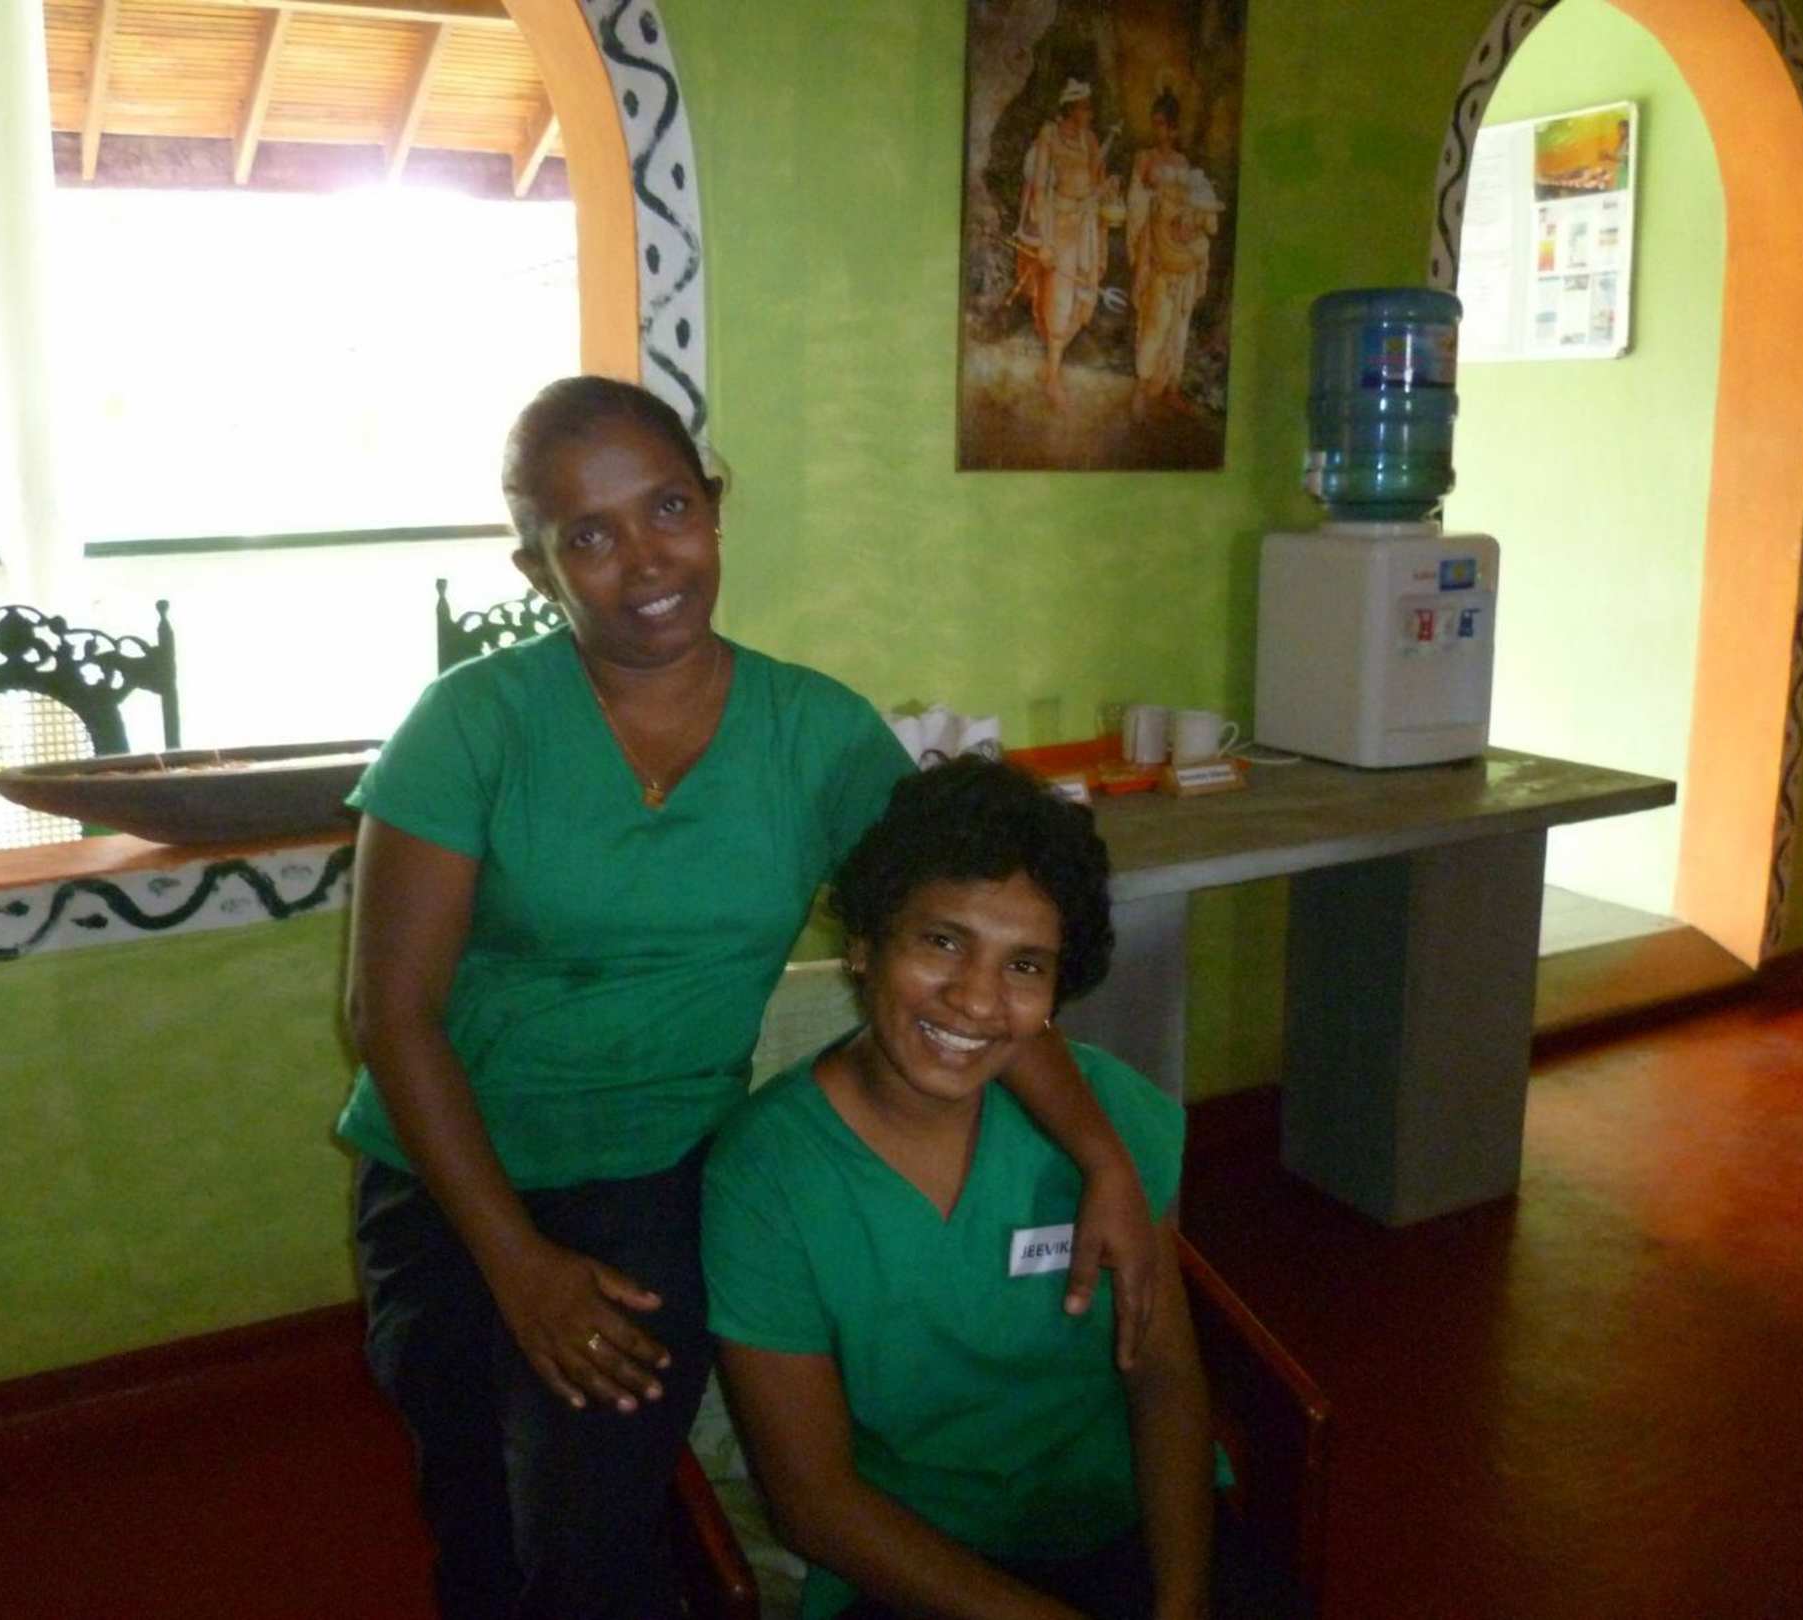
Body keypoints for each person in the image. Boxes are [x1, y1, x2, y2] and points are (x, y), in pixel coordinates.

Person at [339, 376, 1163, 1620]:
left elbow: (969, 958)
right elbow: (392, 1017)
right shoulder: (471, 725)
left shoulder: (815, 736)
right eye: (588, 535)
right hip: (446, 1177)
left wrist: (1103, 1156)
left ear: (714, 506)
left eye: (669, 507)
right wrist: (517, 1263)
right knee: (475, 1511)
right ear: (534, 567)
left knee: (588, 1525)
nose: (644, 559)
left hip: (657, 1173)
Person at [702, 757, 1213, 1620]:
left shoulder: (1104, 1119)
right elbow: (814, 1501)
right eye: (942, 942)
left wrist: (1183, 1603)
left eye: (1025, 966)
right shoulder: (767, 1179)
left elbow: (1162, 1374)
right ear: (864, 945)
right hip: (913, 1563)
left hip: (1121, 1528)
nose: (977, 1000)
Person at [1014, 79, 1110, 410]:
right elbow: (1040, 189)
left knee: (1083, 299)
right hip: (1058, 226)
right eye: (1085, 107)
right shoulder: (1050, 135)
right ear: (1070, 108)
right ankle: (1053, 379)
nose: (1089, 113)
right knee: (1059, 300)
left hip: (1084, 227)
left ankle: (1050, 368)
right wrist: (1044, 241)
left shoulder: (1090, 139)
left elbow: (1095, 181)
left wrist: (1105, 189)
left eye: (1089, 107)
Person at [1125, 91, 1220, 418]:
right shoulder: (1145, 159)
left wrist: (1189, 223)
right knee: (1155, 324)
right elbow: (1137, 205)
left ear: (1174, 129)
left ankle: (1172, 388)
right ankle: (1141, 389)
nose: (1158, 130)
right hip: (1157, 250)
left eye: (1164, 125)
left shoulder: (1183, 164)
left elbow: (1194, 206)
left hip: (1181, 252)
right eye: (1155, 123)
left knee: (1179, 329)